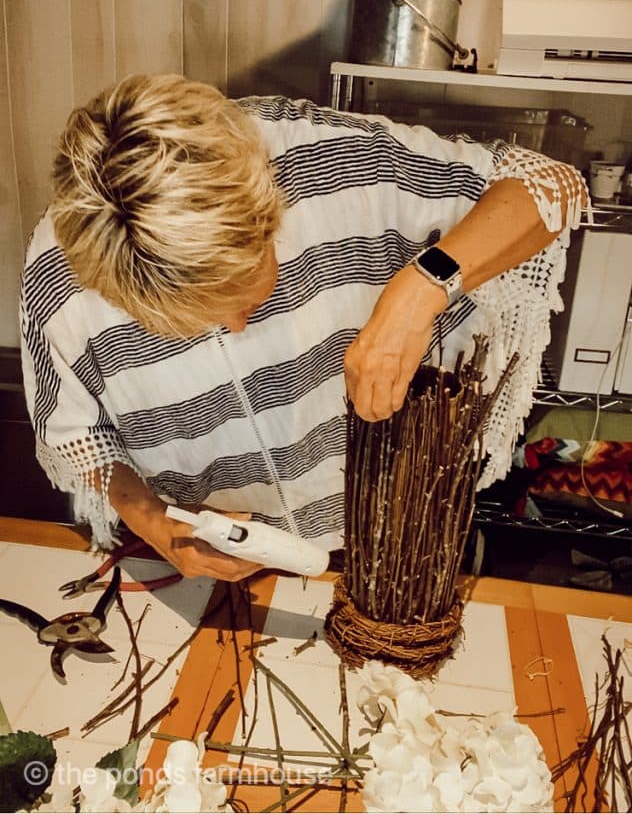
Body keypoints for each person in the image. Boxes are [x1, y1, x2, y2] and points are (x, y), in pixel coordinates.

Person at [20, 75, 587, 581]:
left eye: (245, 296)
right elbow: (80, 439)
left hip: (391, 531)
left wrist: (418, 292)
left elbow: (553, 186)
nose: (236, 328)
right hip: (218, 564)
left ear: (268, 212)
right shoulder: (63, 271)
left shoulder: (327, 157)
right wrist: (159, 528)